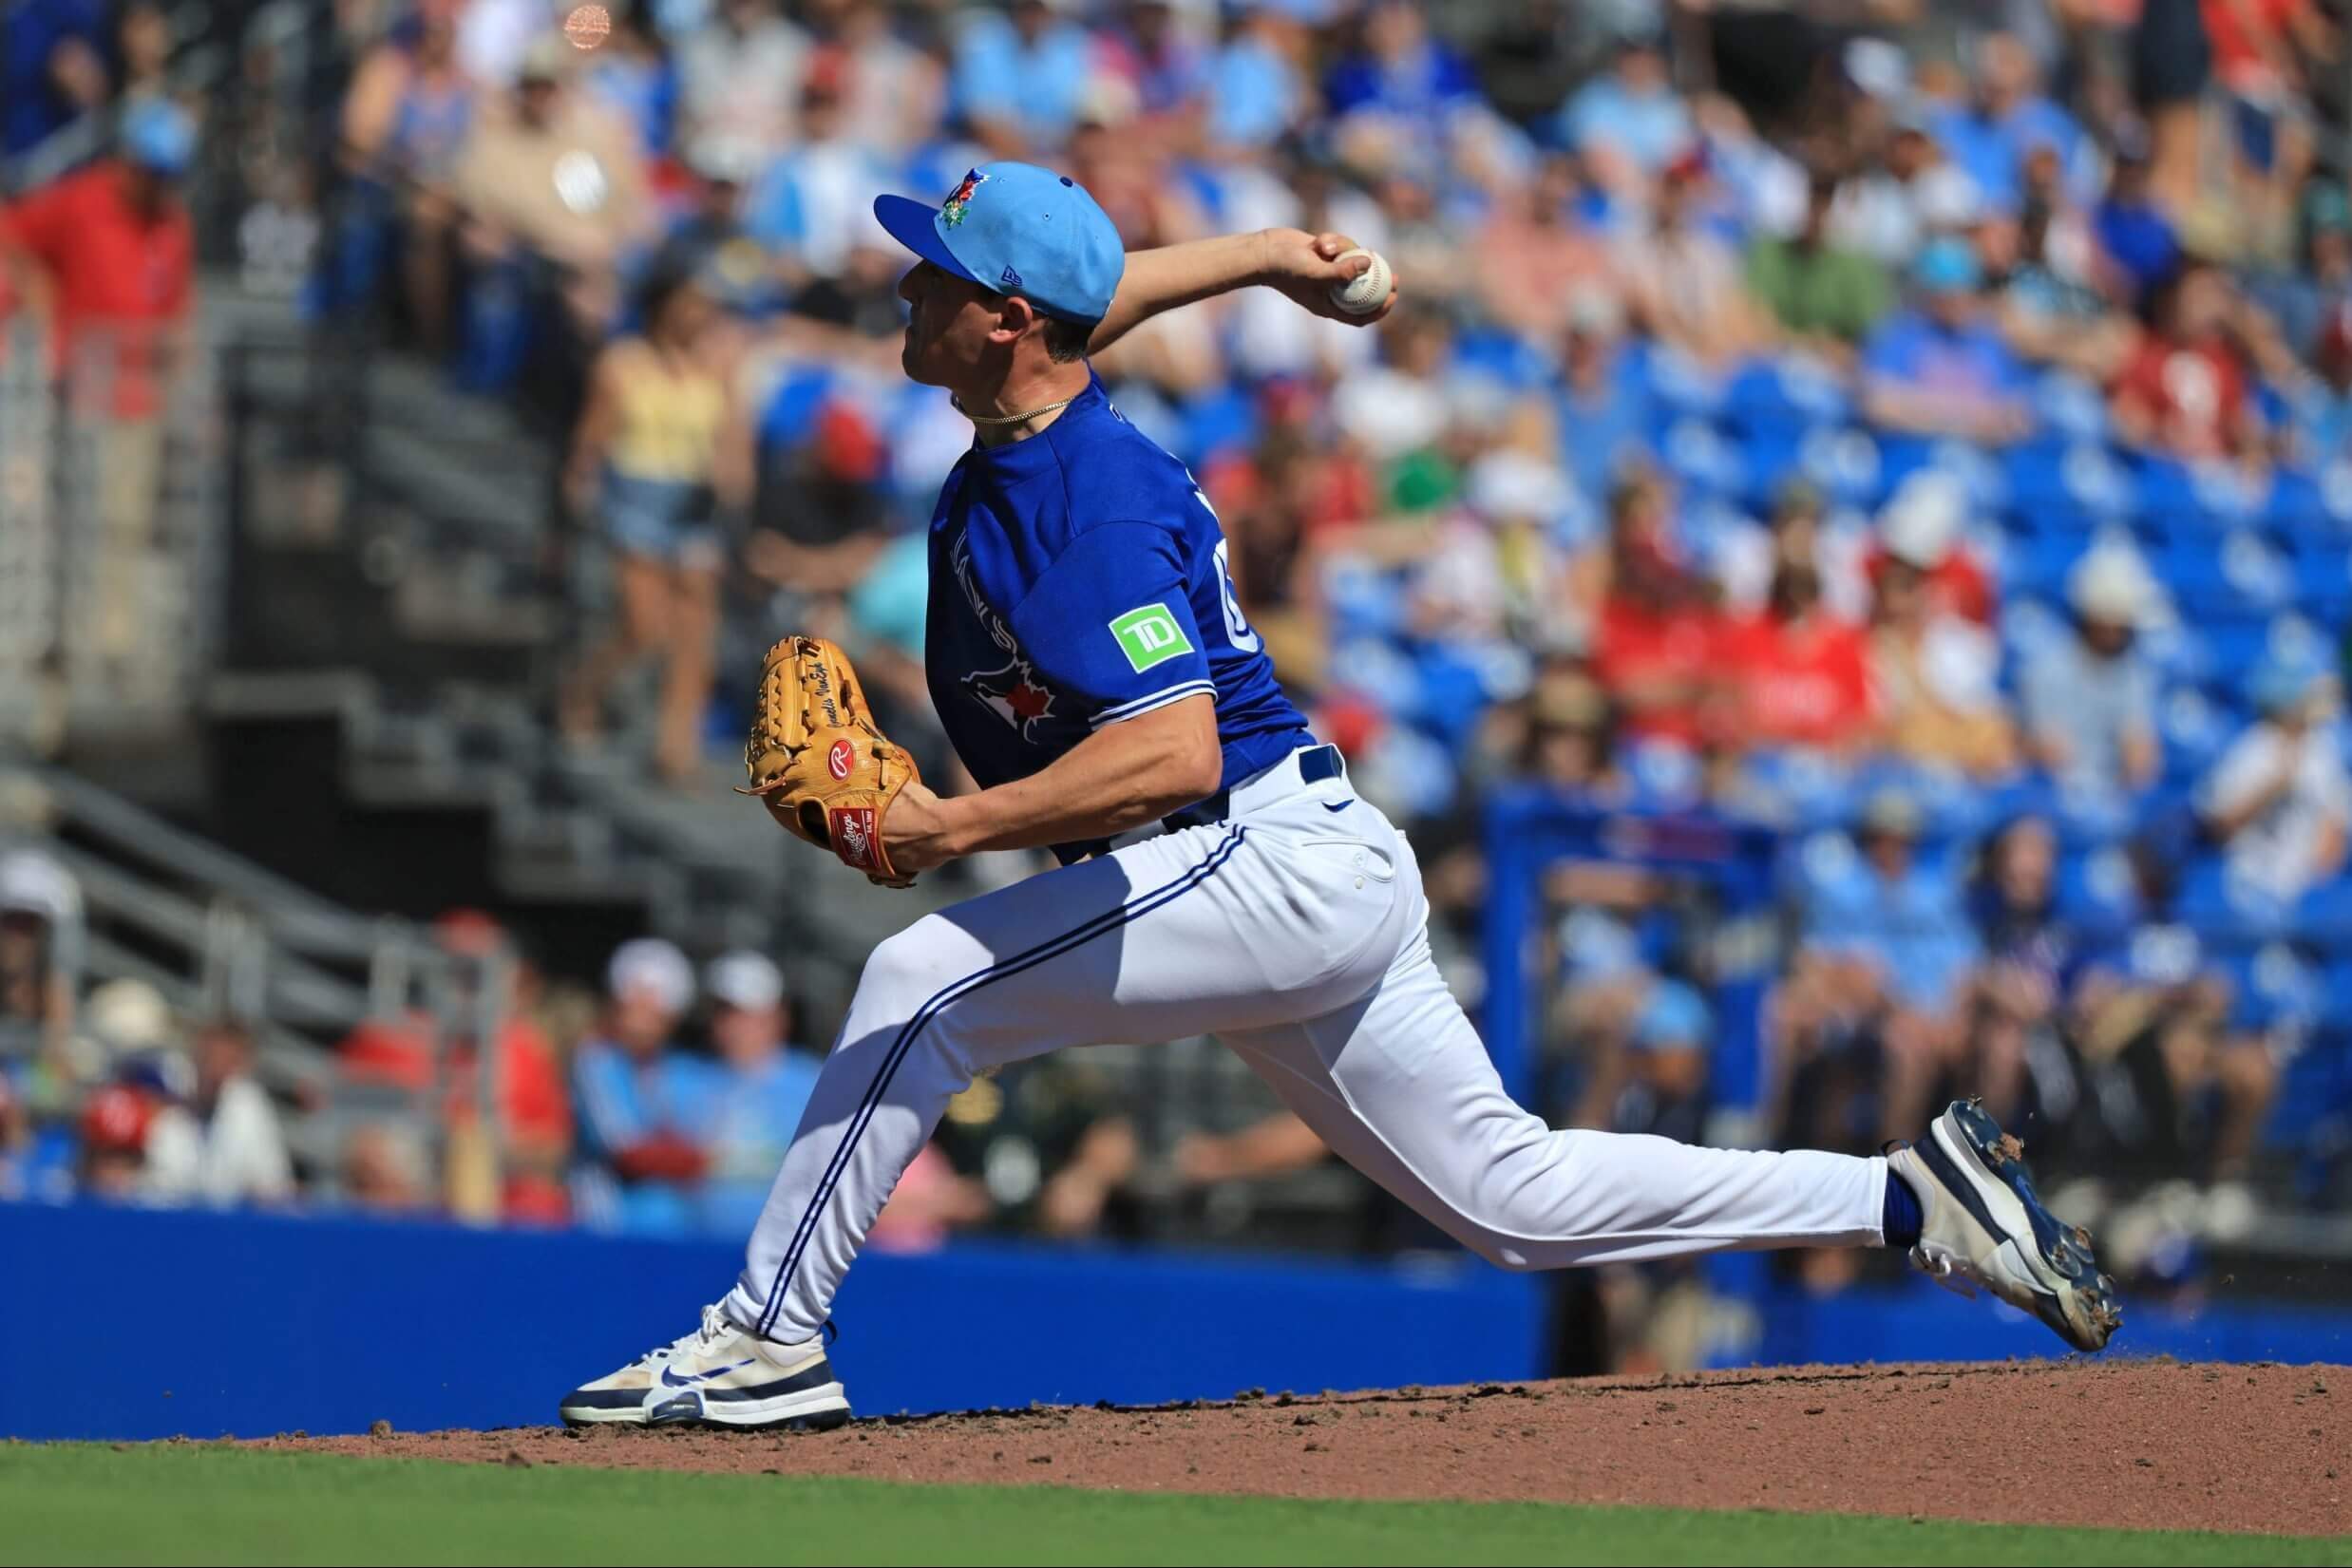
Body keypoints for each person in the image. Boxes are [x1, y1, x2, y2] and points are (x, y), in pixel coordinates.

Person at [558, 161, 2115, 1432]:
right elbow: (1102, 301)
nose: (909, 286)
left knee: (920, 981)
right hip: (1287, 862)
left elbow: (1169, 753)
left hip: (1247, 855)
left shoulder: (1080, 498)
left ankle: (765, 1338)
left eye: (938, 276)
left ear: (1005, 325)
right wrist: (1250, 256)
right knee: (1516, 1196)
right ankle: (1909, 1195)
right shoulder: (1034, 408)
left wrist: (951, 828)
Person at [560, 263, 747, 783]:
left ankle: (676, 746)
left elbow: (731, 438)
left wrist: (734, 494)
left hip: (694, 503)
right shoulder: (624, 362)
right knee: (646, 627)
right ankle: (583, 689)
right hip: (635, 497)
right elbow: (592, 438)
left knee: (696, 633)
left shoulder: (716, 366)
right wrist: (578, 492)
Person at [571, 936, 714, 1235]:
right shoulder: (595, 1061)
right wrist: (695, 1159)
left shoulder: (683, 1071)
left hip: (676, 1231)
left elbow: (705, 1145)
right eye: (633, 1003)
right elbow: (628, 1152)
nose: (640, 1019)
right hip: (610, 1229)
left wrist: (696, 1157)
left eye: (653, 1008)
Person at [2199, 651, 2350, 902]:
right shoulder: (2251, 749)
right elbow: (2220, 825)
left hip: (2303, 891)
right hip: (2247, 884)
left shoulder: (2323, 749)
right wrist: (2272, 787)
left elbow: (2336, 825)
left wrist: (2316, 887)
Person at [694, 952, 824, 1236]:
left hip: (786, 1251)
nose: (732, 1024)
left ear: (778, 1017)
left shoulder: (816, 1083)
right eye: (723, 1012)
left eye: (744, 1013)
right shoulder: (689, 1080)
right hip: (700, 1245)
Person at [1860, 236, 2032, 444]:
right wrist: (1967, 420)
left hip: (1978, 461)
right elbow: (1878, 406)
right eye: (1949, 295)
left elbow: (2018, 416)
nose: (1960, 301)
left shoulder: (1988, 339)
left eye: (1966, 290)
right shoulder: (1899, 334)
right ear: (1930, 294)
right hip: (1912, 456)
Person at [2019, 550, 2161, 795]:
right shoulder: (2046, 669)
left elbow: (2140, 755)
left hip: (2113, 797)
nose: (2123, 630)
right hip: (2054, 797)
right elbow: (2050, 752)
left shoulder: (2135, 673)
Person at [142, 1017, 295, 1208]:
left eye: (228, 1061)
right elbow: (155, 1185)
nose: (217, 1069)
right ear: (196, 1056)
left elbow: (273, 1185)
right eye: (210, 1058)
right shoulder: (168, 1108)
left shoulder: (251, 1109)